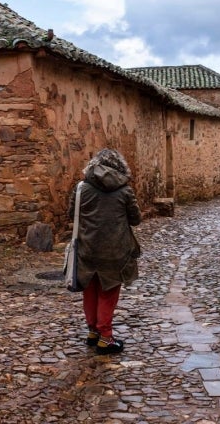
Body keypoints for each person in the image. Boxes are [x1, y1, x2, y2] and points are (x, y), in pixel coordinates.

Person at [68, 149, 142, 355]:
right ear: (120, 167)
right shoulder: (125, 191)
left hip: (87, 248)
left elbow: (70, 214)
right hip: (115, 251)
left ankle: (93, 332)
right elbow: (135, 219)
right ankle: (105, 338)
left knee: (90, 290)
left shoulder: (81, 188)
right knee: (108, 292)